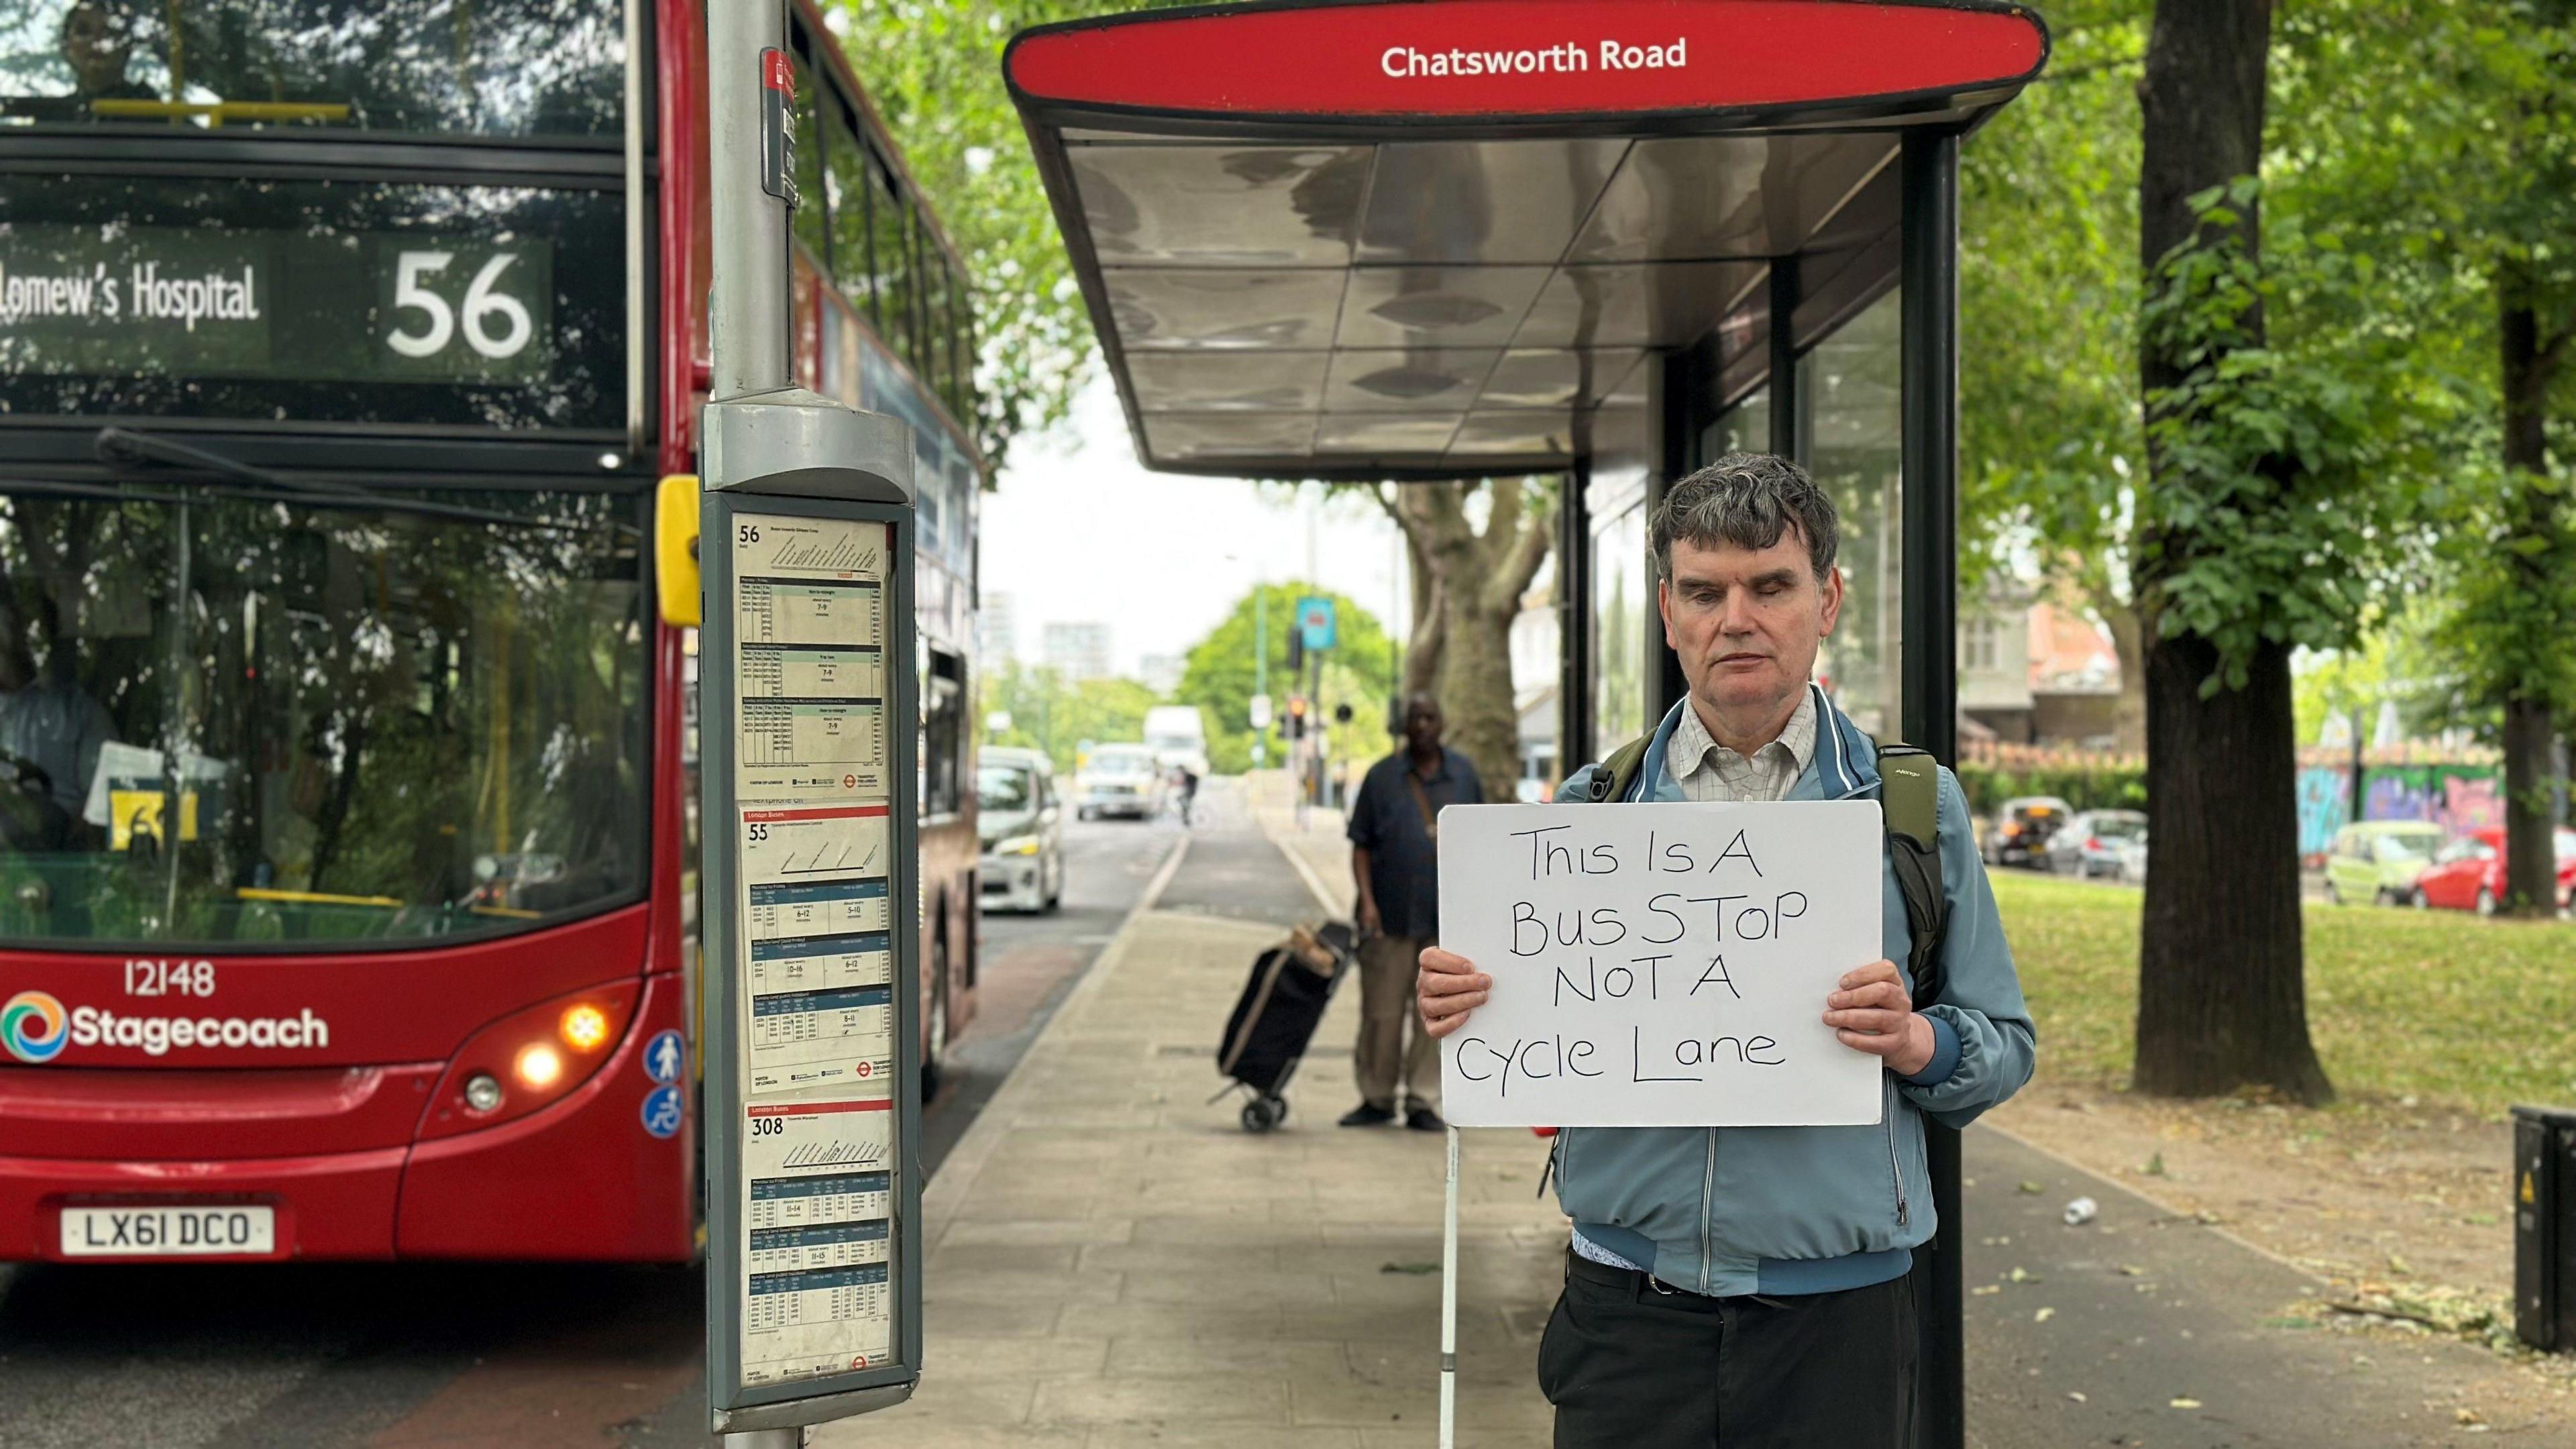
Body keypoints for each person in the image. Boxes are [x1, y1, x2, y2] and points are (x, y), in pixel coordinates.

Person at [1416, 453, 2035, 1447]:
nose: (1735, 618)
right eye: (1704, 592)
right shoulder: (1591, 812)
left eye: (1770, 586)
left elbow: (2004, 1044)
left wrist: (1920, 1043)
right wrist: (1465, 1008)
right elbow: (1533, 1060)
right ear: (1668, 613)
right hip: (1626, 1316)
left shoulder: (1913, 808)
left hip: (1838, 1328)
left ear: (1827, 599)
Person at [1343, 691, 1481, 1132]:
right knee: (1381, 1013)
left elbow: (1483, 840)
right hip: (1388, 916)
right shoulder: (1381, 778)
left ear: (1442, 723)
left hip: (1445, 916)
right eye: (1415, 718)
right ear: (1404, 727)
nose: (1422, 725)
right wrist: (1367, 903)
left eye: (1430, 716)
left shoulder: (1464, 775)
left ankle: (1423, 1098)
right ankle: (1376, 1096)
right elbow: (1360, 845)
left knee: (1436, 1012)